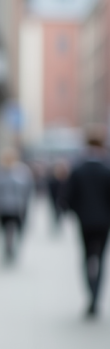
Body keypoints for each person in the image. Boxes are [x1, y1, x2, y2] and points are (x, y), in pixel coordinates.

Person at [62, 127, 110, 318]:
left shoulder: (78, 169)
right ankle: (96, 296)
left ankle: (90, 294)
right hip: (105, 222)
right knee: (101, 258)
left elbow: (68, 197)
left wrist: (77, 213)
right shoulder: (107, 168)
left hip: (84, 221)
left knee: (86, 256)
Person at [0, 148, 33, 262]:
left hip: (17, 207)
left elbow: (28, 189)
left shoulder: (22, 171)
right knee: (2, 229)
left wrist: (26, 205)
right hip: (0, 208)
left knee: (16, 229)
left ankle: (11, 247)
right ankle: (6, 247)